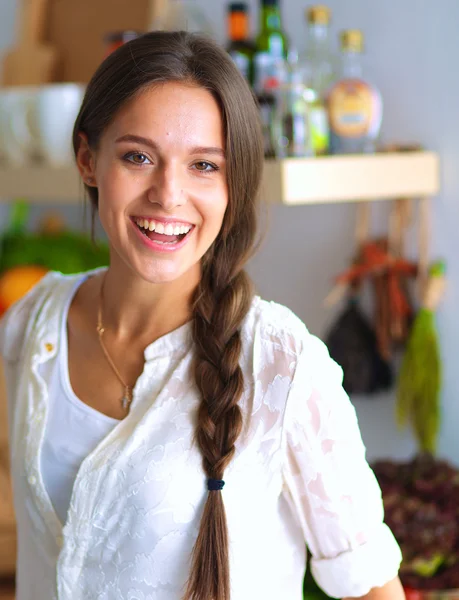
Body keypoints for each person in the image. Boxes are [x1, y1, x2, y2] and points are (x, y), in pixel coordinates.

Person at [0, 31, 405, 600]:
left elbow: (372, 588)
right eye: (138, 157)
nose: (168, 194)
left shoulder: (282, 365)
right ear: (88, 160)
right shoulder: (31, 325)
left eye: (203, 166)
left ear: (233, 184)